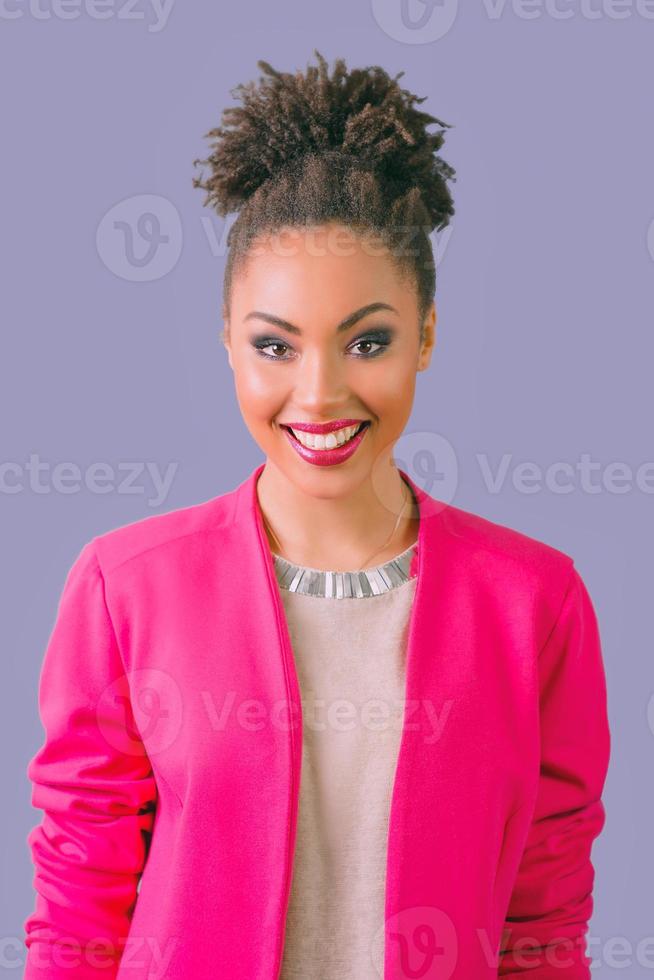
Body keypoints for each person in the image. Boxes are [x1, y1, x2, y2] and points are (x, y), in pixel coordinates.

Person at [23, 50, 611, 979]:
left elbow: (545, 915)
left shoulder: (535, 603)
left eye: (366, 341)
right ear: (227, 341)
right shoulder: (124, 587)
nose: (321, 393)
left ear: (425, 333)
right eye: (275, 345)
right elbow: (80, 898)